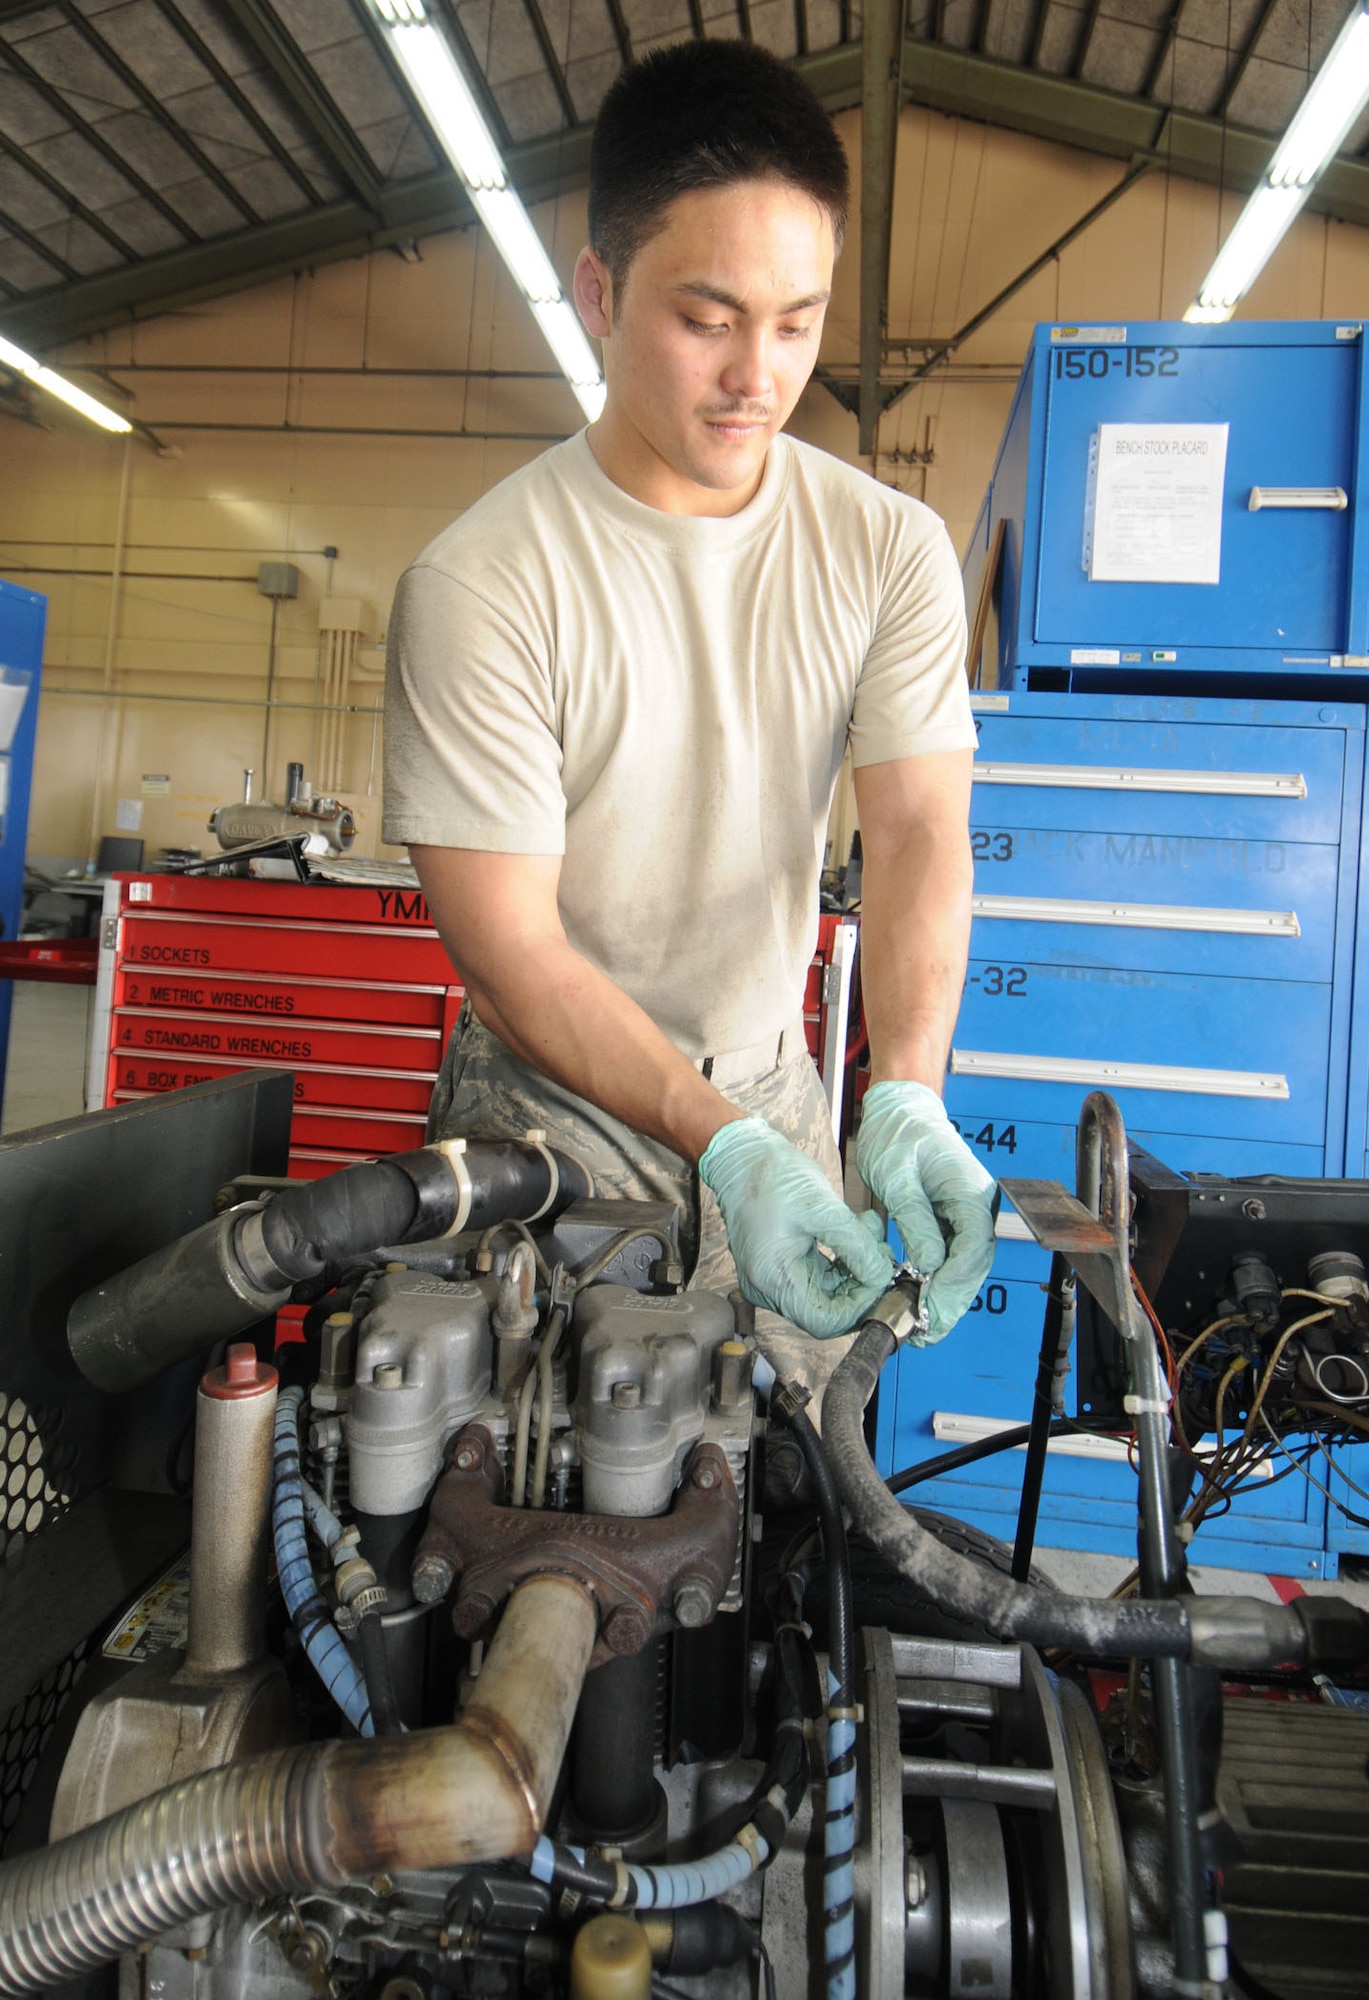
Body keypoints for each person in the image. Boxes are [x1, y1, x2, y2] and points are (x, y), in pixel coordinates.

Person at [383, 36, 996, 1364]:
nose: (756, 377)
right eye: (706, 318)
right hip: (547, 1118)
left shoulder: (887, 548)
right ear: (597, 292)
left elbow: (912, 832)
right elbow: (512, 950)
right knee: (522, 1489)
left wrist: (905, 1094)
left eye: (796, 321)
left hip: (776, 1087)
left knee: (800, 1506)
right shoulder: (482, 584)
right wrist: (714, 1141)